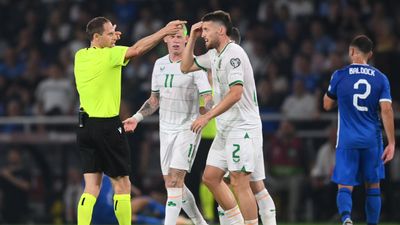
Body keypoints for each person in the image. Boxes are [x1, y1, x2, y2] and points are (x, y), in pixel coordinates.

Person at [74, 16, 186, 225]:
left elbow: (110, 47)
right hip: (107, 126)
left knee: (91, 188)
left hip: (84, 127)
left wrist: (109, 39)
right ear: (96, 37)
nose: (114, 36)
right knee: (123, 185)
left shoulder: (80, 56)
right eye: (109, 34)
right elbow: (137, 49)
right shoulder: (109, 55)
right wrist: (164, 31)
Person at [123, 25, 211, 225]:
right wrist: (136, 117)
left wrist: (206, 113)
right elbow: (154, 100)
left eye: (180, 36)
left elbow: (208, 97)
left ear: (187, 39)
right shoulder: (159, 64)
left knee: (174, 182)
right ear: (165, 40)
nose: (176, 40)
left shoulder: (196, 66)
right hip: (166, 129)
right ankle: (199, 222)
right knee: (172, 183)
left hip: (188, 128)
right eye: (172, 36)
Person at [181, 10, 262, 225]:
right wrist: (192, 36)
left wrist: (207, 116)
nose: (203, 34)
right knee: (210, 177)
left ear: (221, 30)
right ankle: (235, 222)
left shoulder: (233, 54)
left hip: (242, 127)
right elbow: (185, 66)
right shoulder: (214, 55)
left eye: (207, 29)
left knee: (239, 182)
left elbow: (235, 94)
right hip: (226, 129)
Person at [323, 35, 395, 225]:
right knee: (373, 185)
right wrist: (392, 143)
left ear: (352, 51)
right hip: (372, 140)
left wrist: (339, 95)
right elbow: (386, 110)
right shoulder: (381, 78)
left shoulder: (340, 75)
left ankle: (346, 218)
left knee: (345, 185)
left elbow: (327, 105)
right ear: (370, 54)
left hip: (347, 139)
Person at [217, 26, 277, 225]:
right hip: (250, 128)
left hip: (238, 129)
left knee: (225, 182)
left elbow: (234, 95)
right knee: (257, 185)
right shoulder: (236, 61)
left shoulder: (231, 60)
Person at [0, 149, 31, 224]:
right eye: (11, 156)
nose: (13, 157)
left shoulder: (24, 171)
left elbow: (26, 186)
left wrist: (9, 177)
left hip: (21, 210)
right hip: (6, 209)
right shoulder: (3, 173)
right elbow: (1, 191)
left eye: (15, 155)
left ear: (19, 157)